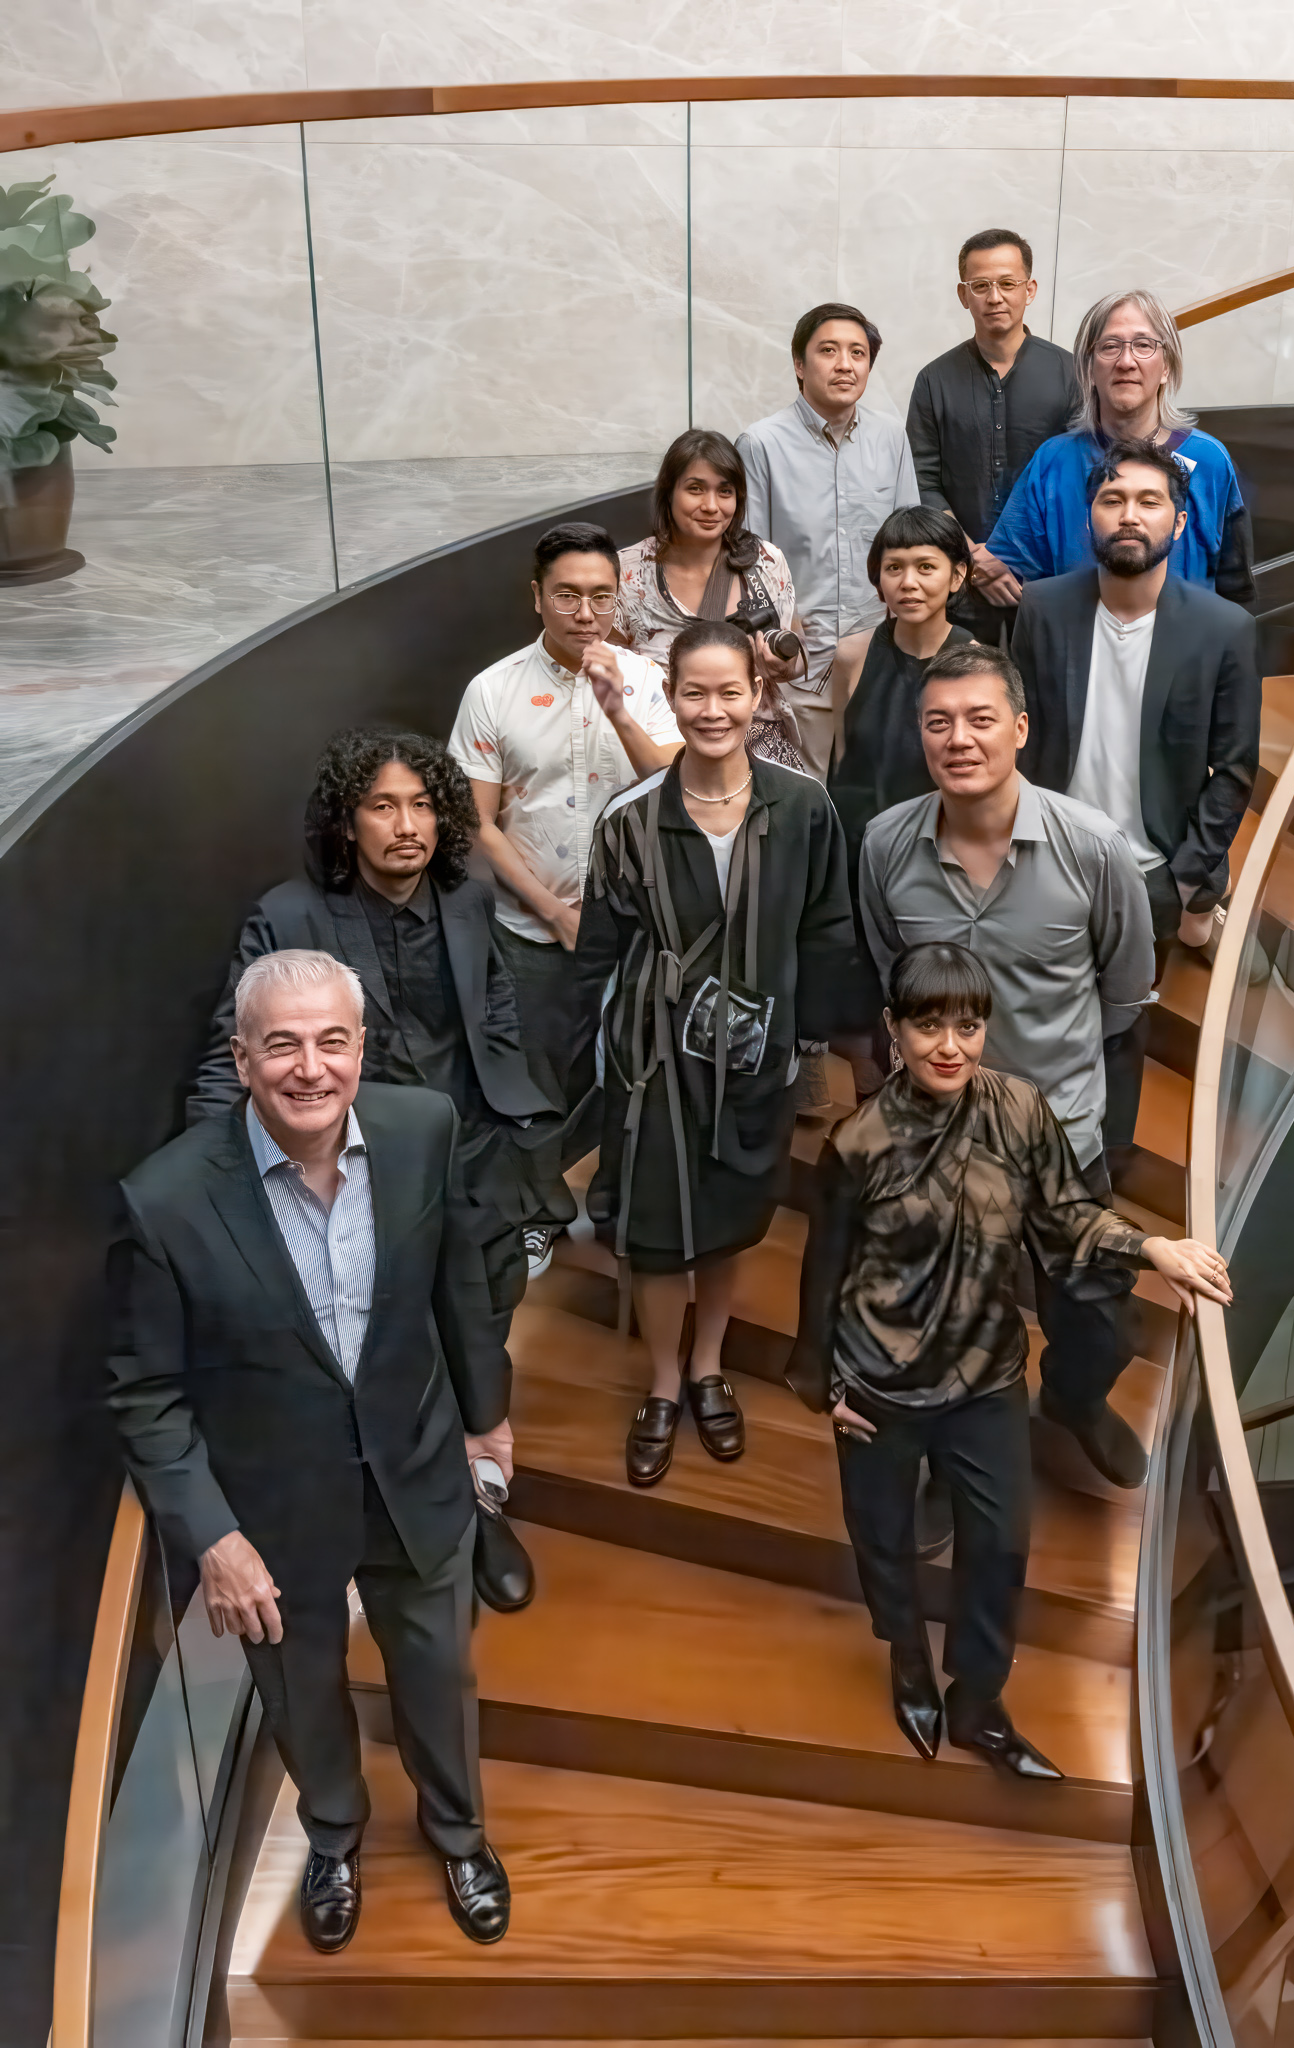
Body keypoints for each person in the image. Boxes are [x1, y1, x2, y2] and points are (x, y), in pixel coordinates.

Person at [108, 952, 513, 1952]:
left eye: (332, 1039)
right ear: (240, 1058)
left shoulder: (425, 1129)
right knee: (301, 1688)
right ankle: (333, 1829)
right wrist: (212, 1535)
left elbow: (456, 1284)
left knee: (437, 1673)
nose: (309, 1066)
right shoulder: (164, 1202)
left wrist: (484, 1416)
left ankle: (457, 1828)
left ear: (361, 1047)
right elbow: (147, 1391)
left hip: (416, 1473)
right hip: (274, 1509)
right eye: (281, 1042)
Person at [786, 941, 1232, 1765]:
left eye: (966, 1024)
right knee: (881, 1540)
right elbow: (824, 1274)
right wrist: (826, 1384)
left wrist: (1151, 1249)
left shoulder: (1019, 1112)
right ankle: (909, 1664)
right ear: (892, 1030)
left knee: (998, 1546)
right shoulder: (854, 1145)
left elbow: (1067, 1216)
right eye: (927, 1026)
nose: (948, 1045)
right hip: (878, 1385)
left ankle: (977, 1703)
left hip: (985, 1373)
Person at [189, 728, 550, 1612]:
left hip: (473, 1154)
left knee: (480, 1331)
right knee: (391, 1354)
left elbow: (492, 1000)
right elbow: (228, 1055)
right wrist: (207, 1183)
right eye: (383, 805)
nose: (407, 825)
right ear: (347, 822)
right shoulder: (291, 914)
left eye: (423, 804)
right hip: (359, 1176)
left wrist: (510, 1107)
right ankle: (411, 1526)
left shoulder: (467, 893)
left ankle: (480, 1504)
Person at [859, 643, 1157, 1489]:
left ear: (1019, 729)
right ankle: (937, 1467)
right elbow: (895, 972)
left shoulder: (1093, 848)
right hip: (935, 1137)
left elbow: (1124, 991)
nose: (959, 739)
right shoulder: (885, 845)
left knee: (1094, 1314)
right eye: (939, 722)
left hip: (1057, 1128)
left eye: (980, 719)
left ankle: (1072, 1399)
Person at [577, 620, 854, 1489]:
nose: (712, 710)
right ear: (671, 696)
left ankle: (708, 1364)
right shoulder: (629, 822)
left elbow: (826, 928)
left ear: (758, 696)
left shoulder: (803, 807)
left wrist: (802, 1043)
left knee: (731, 1217)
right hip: (654, 1064)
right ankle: (664, 1382)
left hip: (757, 1057)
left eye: (729, 691)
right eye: (693, 692)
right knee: (658, 1231)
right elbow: (597, 950)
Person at [1012, 441, 1261, 1160]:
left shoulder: (1223, 630)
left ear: (1178, 524)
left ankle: (1101, 1182)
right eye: (1112, 499)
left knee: (1118, 1034)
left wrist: (1182, 879)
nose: (1129, 515)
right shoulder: (1041, 608)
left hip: (1148, 874)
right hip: (1043, 855)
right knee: (1028, 1017)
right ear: (1088, 515)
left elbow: (1235, 770)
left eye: (1149, 502)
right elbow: (1020, 736)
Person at [448, 522, 683, 1212]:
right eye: (568, 596)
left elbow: (676, 787)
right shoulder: (493, 691)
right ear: (536, 597)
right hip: (531, 925)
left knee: (635, 1068)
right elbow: (475, 823)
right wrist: (555, 912)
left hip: (638, 924)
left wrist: (617, 712)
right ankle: (541, 1213)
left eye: (601, 597)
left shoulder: (645, 681)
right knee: (536, 1076)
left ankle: (622, 1200)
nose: (586, 614)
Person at [974, 288, 1255, 611]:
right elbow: (1008, 566)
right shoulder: (1054, 461)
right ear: (1089, 368)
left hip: (1183, 653)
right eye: (1109, 347)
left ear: (1166, 367)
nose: (1126, 362)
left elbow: (1237, 591)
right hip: (1078, 653)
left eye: (1144, 345)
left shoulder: (1210, 461)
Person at [737, 303, 920, 778]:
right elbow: (748, 557)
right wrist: (782, 635)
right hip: (798, 662)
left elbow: (910, 544)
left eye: (857, 352)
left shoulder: (891, 438)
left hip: (878, 655)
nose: (845, 364)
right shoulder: (760, 444)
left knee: (878, 794)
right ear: (799, 364)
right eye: (829, 351)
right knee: (808, 802)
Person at [905, 229, 1078, 646]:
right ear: (964, 295)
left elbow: (1077, 481)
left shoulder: (1072, 375)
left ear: (1030, 289)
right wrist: (975, 561)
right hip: (957, 585)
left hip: (1048, 581)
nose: (994, 297)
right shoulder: (934, 380)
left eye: (1007, 283)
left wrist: (1015, 560)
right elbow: (921, 482)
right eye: (980, 286)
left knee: (1043, 703)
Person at [615, 428, 806, 767]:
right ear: (667, 492)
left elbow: (799, 654)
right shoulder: (628, 571)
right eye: (695, 489)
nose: (711, 506)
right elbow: (609, 670)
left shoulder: (765, 561)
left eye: (725, 491)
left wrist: (784, 664)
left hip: (757, 747)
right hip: (663, 749)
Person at [827, 505, 974, 880]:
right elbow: (842, 757)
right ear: (878, 580)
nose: (908, 582)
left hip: (941, 854)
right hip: (856, 848)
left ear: (957, 576)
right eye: (894, 568)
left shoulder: (977, 665)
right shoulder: (851, 655)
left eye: (926, 567)